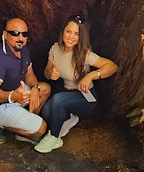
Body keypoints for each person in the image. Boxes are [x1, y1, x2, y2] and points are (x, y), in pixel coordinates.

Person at [34, 15, 118, 153]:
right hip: (68, 93)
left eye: (76, 33)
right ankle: (68, 117)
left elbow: (112, 66)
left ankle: (54, 138)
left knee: (57, 100)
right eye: (68, 31)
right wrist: (50, 73)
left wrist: (91, 75)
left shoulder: (84, 54)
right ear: (63, 32)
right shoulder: (55, 48)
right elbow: (47, 70)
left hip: (86, 97)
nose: (71, 36)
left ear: (80, 37)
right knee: (47, 112)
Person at [0, 17, 51, 144]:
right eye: (15, 33)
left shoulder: (23, 50)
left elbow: (29, 75)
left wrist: (35, 88)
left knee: (44, 88)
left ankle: (27, 125)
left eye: (24, 34)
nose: (20, 38)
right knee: (42, 129)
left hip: (16, 94)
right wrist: (13, 96)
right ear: (5, 35)